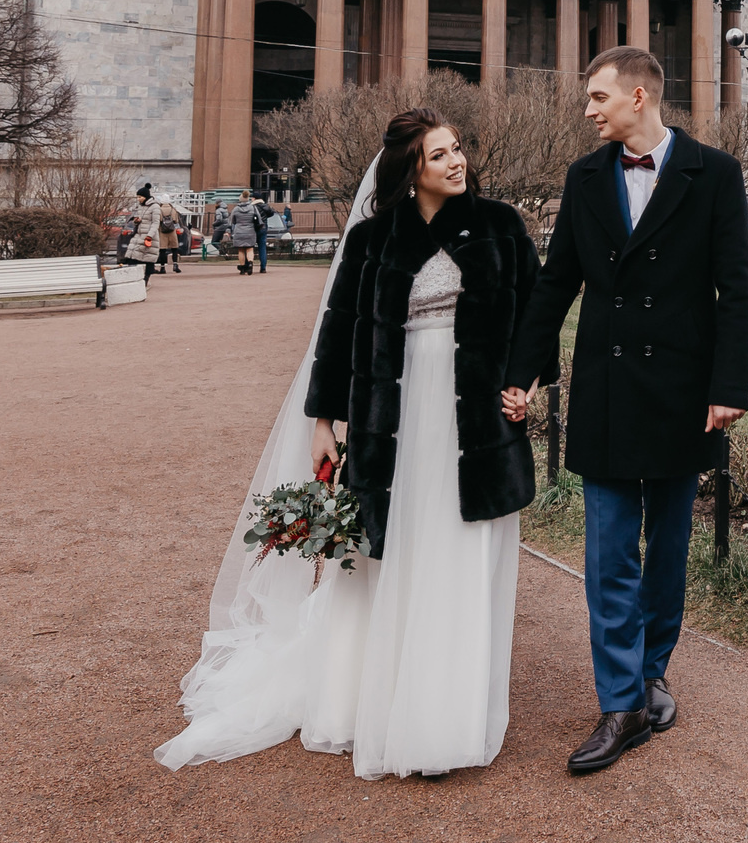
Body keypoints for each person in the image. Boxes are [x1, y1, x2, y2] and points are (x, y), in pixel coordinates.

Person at [154, 108, 541, 778]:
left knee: (461, 551)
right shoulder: (370, 240)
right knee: (385, 554)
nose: (457, 162)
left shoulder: (501, 226)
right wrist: (322, 421)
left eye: (457, 149)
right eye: (439, 154)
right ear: (410, 170)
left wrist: (526, 381)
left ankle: (442, 716)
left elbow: (536, 315)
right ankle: (370, 700)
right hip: (391, 421)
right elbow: (338, 335)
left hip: (477, 424)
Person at [507, 46, 748, 777]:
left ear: (638, 96)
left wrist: (728, 386)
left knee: (668, 550)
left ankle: (651, 673)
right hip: (608, 389)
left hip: (683, 392)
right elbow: (556, 284)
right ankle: (620, 703)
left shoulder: (716, 173)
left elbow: (736, 289)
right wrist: (522, 373)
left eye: (598, 97)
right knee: (609, 551)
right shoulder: (584, 176)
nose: (588, 110)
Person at [228, 190, 261, 274]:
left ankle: (242, 268)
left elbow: (232, 220)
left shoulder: (236, 209)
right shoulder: (253, 208)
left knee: (241, 250)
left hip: (239, 231)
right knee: (250, 248)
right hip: (250, 231)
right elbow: (258, 219)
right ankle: (250, 263)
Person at [157, 198, 184, 273]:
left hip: (162, 231)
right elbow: (176, 221)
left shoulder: (159, 209)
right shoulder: (173, 209)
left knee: (162, 250)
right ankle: (175, 265)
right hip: (172, 231)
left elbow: (159, 220)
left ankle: (162, 268)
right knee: (174, 248)